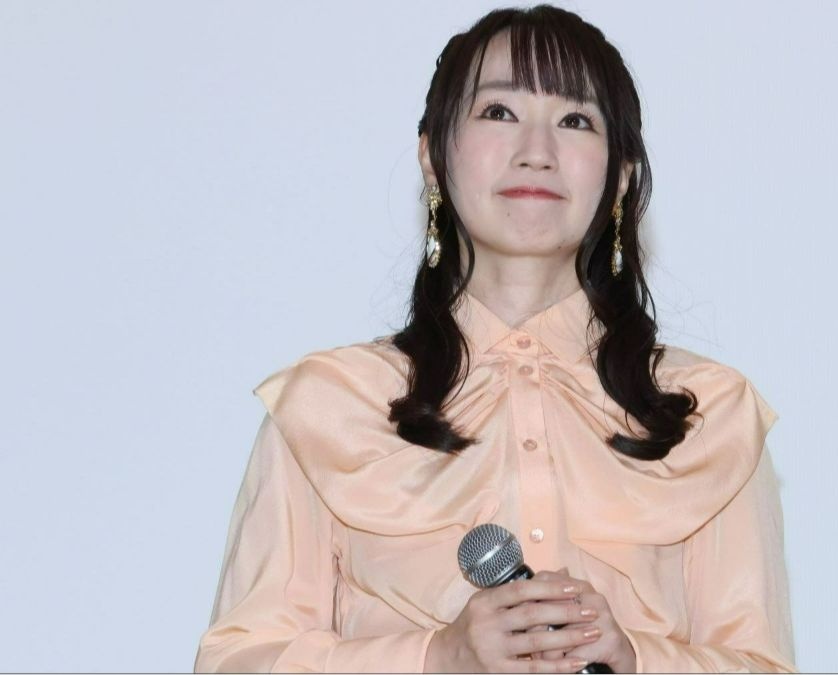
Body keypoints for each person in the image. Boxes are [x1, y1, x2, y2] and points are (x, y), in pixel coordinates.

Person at [193, 4, 796, 673]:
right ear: (433, 157)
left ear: (621, 175)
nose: (537, 151)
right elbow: (236, 661)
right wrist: (436, 658)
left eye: (575, 120)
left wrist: (638, 662)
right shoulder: (329, 407)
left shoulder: (711, 416)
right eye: (499, 112)